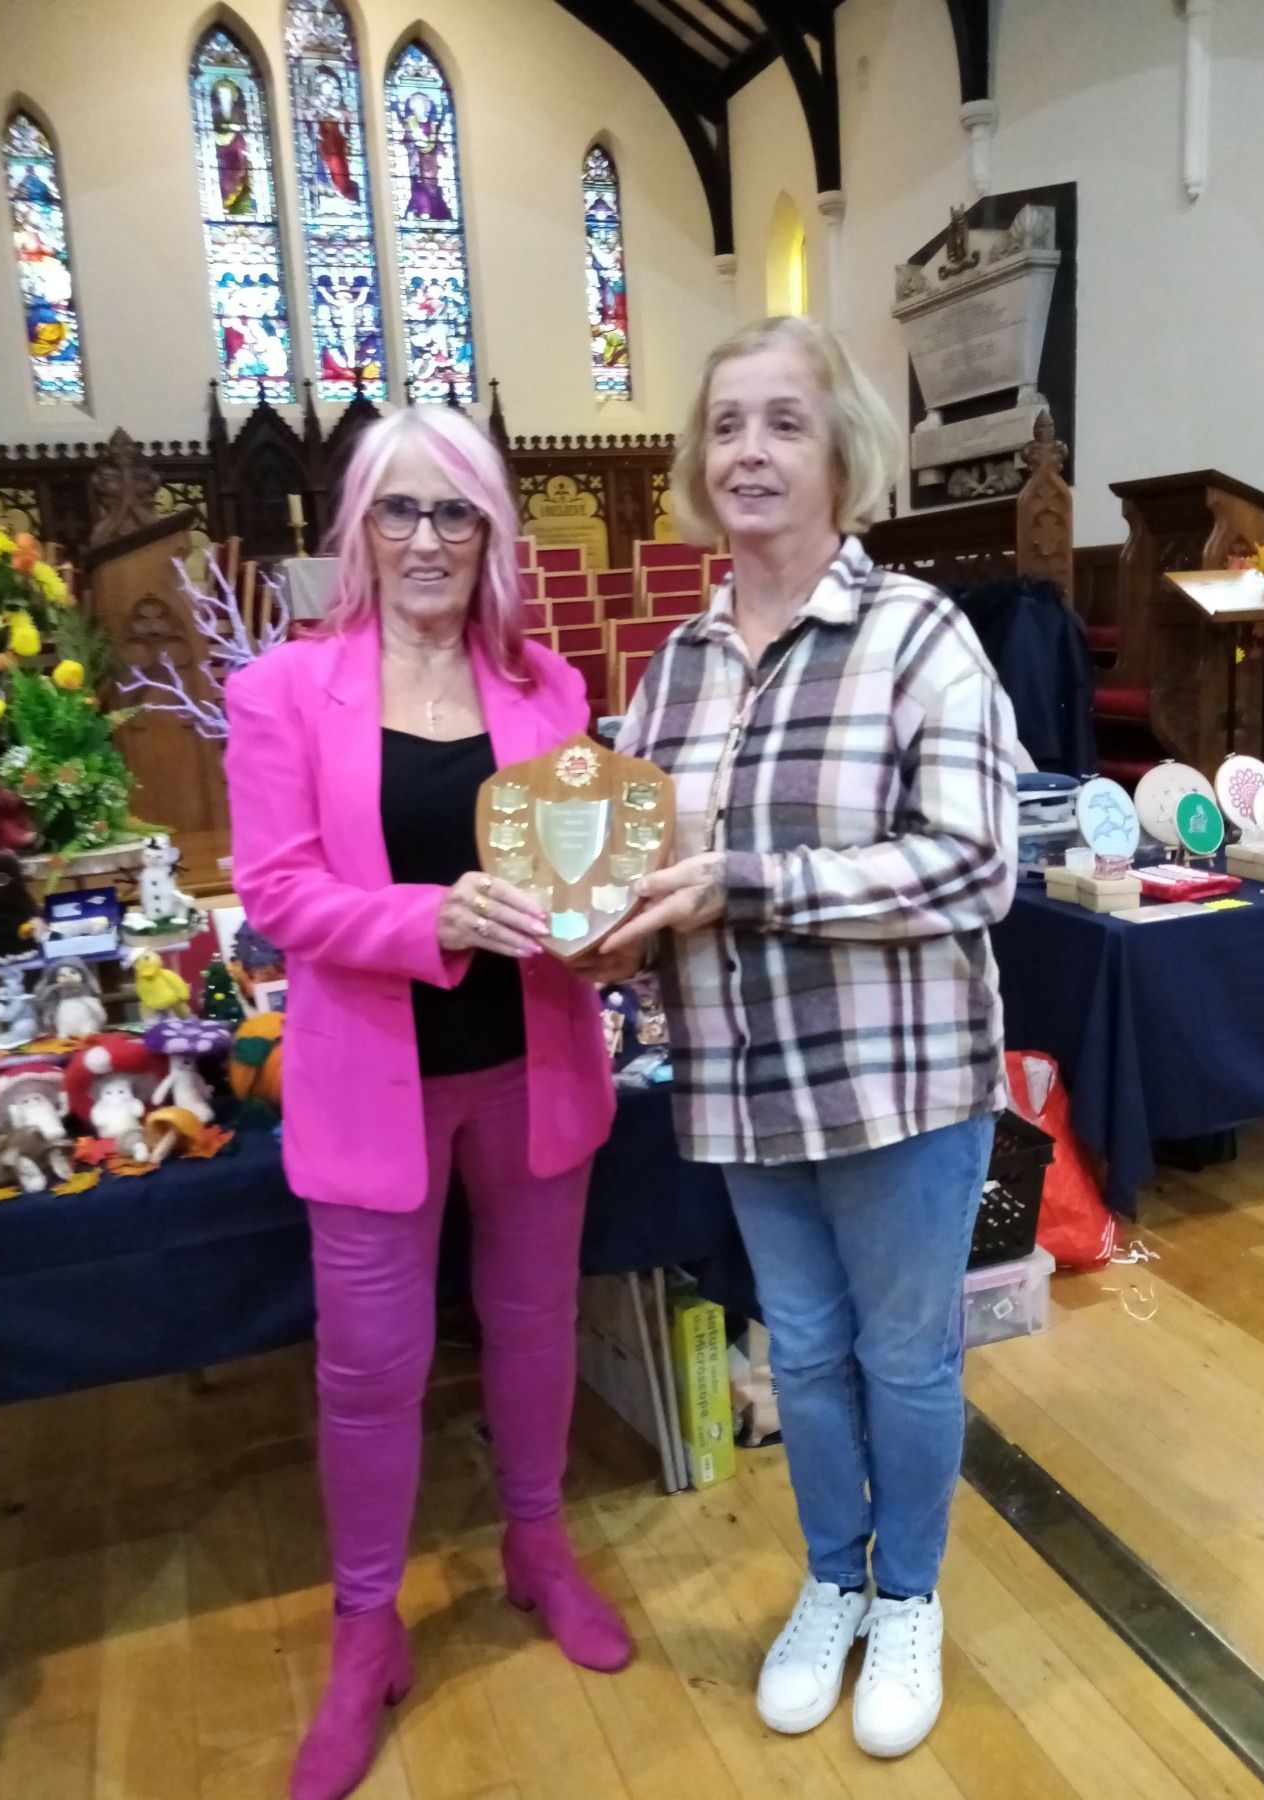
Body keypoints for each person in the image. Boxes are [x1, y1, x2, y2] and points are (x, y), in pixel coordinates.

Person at [595, 317, 1018, 1760]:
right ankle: (829, 1580)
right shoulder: (675, 671)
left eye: (781, 422)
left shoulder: (915, 634)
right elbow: (631, 857)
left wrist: (749, 882)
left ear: (840, 449)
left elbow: (974, 866)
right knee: (807, 1354)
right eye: (725, 426)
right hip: (738, 1082)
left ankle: (907, 1595)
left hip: (899, 1082)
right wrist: (609, 922)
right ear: (697, 466)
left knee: (904, 1360)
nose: (749, 452)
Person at [225, 406, 630, 1800]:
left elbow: (583, 871)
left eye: (454, 512)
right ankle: (363, 1632)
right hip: (371, 1086)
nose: (426, 540)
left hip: (532, 1061)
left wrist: (609, 923)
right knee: (370, 1371)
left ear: (493, 532)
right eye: (397, 511)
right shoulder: (286, 689)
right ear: (356, 529)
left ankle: (536, 1549)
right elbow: (274, 891)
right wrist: (429, 917)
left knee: (530, 1327)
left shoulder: (547, 687)